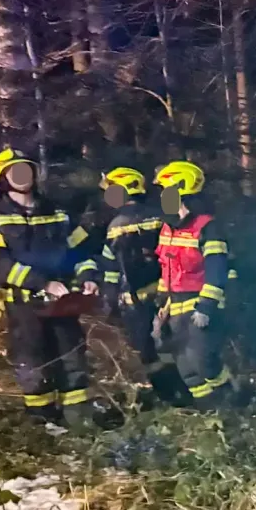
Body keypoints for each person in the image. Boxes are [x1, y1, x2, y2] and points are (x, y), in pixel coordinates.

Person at [0, 147, 102, 424]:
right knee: (32, 359)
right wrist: (43, 283)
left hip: (63, 301)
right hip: (23, 301)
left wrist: (88, 278)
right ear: (2, 177)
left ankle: (79, 419)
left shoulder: (57, 210)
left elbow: (79, 252)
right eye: (15, 170)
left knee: (72, 356)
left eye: (26, 168)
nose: (22, 174)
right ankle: (42, 420)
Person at [96, 167, 188, 405]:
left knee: (148, 351)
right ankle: (186, 393)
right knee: (174, 346)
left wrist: (109, 300)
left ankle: (169, 396)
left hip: (137, 300)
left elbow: (114, 268)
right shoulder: (161, 217)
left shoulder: (118, 224)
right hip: (169, 294)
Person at [152, 161, 234, 409]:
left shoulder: (207, 227)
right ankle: (210, 411)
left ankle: (230, 400)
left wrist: (206, 307)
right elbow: (167, 268)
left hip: (200, 304)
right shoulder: (168, 227)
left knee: (203, 361)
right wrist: (161, 304)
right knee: (185, 366)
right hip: (174, 305)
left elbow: (217, 268)